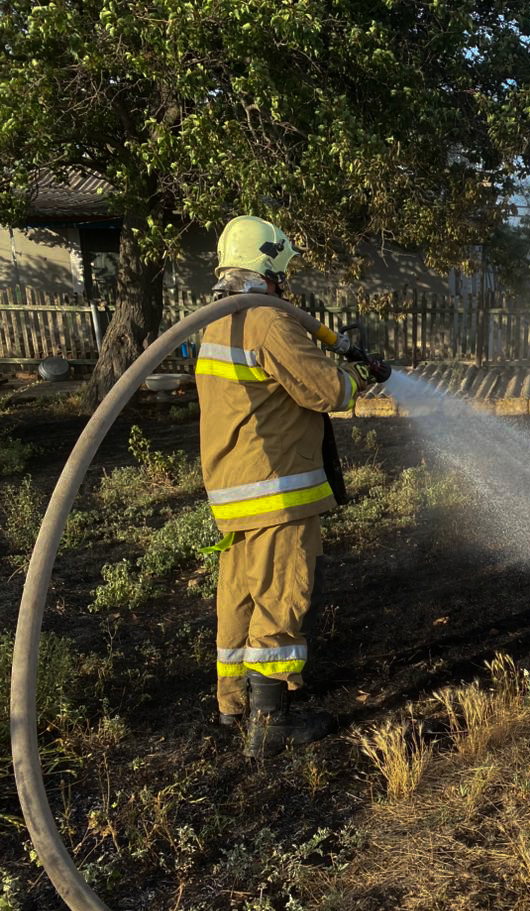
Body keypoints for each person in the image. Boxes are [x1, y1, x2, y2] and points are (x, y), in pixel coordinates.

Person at [196, 215, 387, 757]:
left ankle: (234, 705)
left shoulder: (220, 323)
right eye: (283, 273)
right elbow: (327, 390)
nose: (287, 283)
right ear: (269, 269)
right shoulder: (267, 322)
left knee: (240, 596)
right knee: (281, 595)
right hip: (276, 490)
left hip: (235, 490)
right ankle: (270, 726)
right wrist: (363, 375)